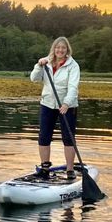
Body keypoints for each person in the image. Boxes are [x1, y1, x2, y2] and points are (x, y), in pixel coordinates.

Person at [30, 36, 80, 179]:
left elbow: (73, 87)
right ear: (54, 49)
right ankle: (45, 167)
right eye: (58, 47)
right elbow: (34, 79)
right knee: (44, 136)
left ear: (67, 50)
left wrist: (66, 103)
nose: (60, 50)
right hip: (47, 103)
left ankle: (70, 170)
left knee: (68, 138)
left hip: (67, 106)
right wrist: (38, 66)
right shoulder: (45, 62)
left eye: (63, 48)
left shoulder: (73, 65)